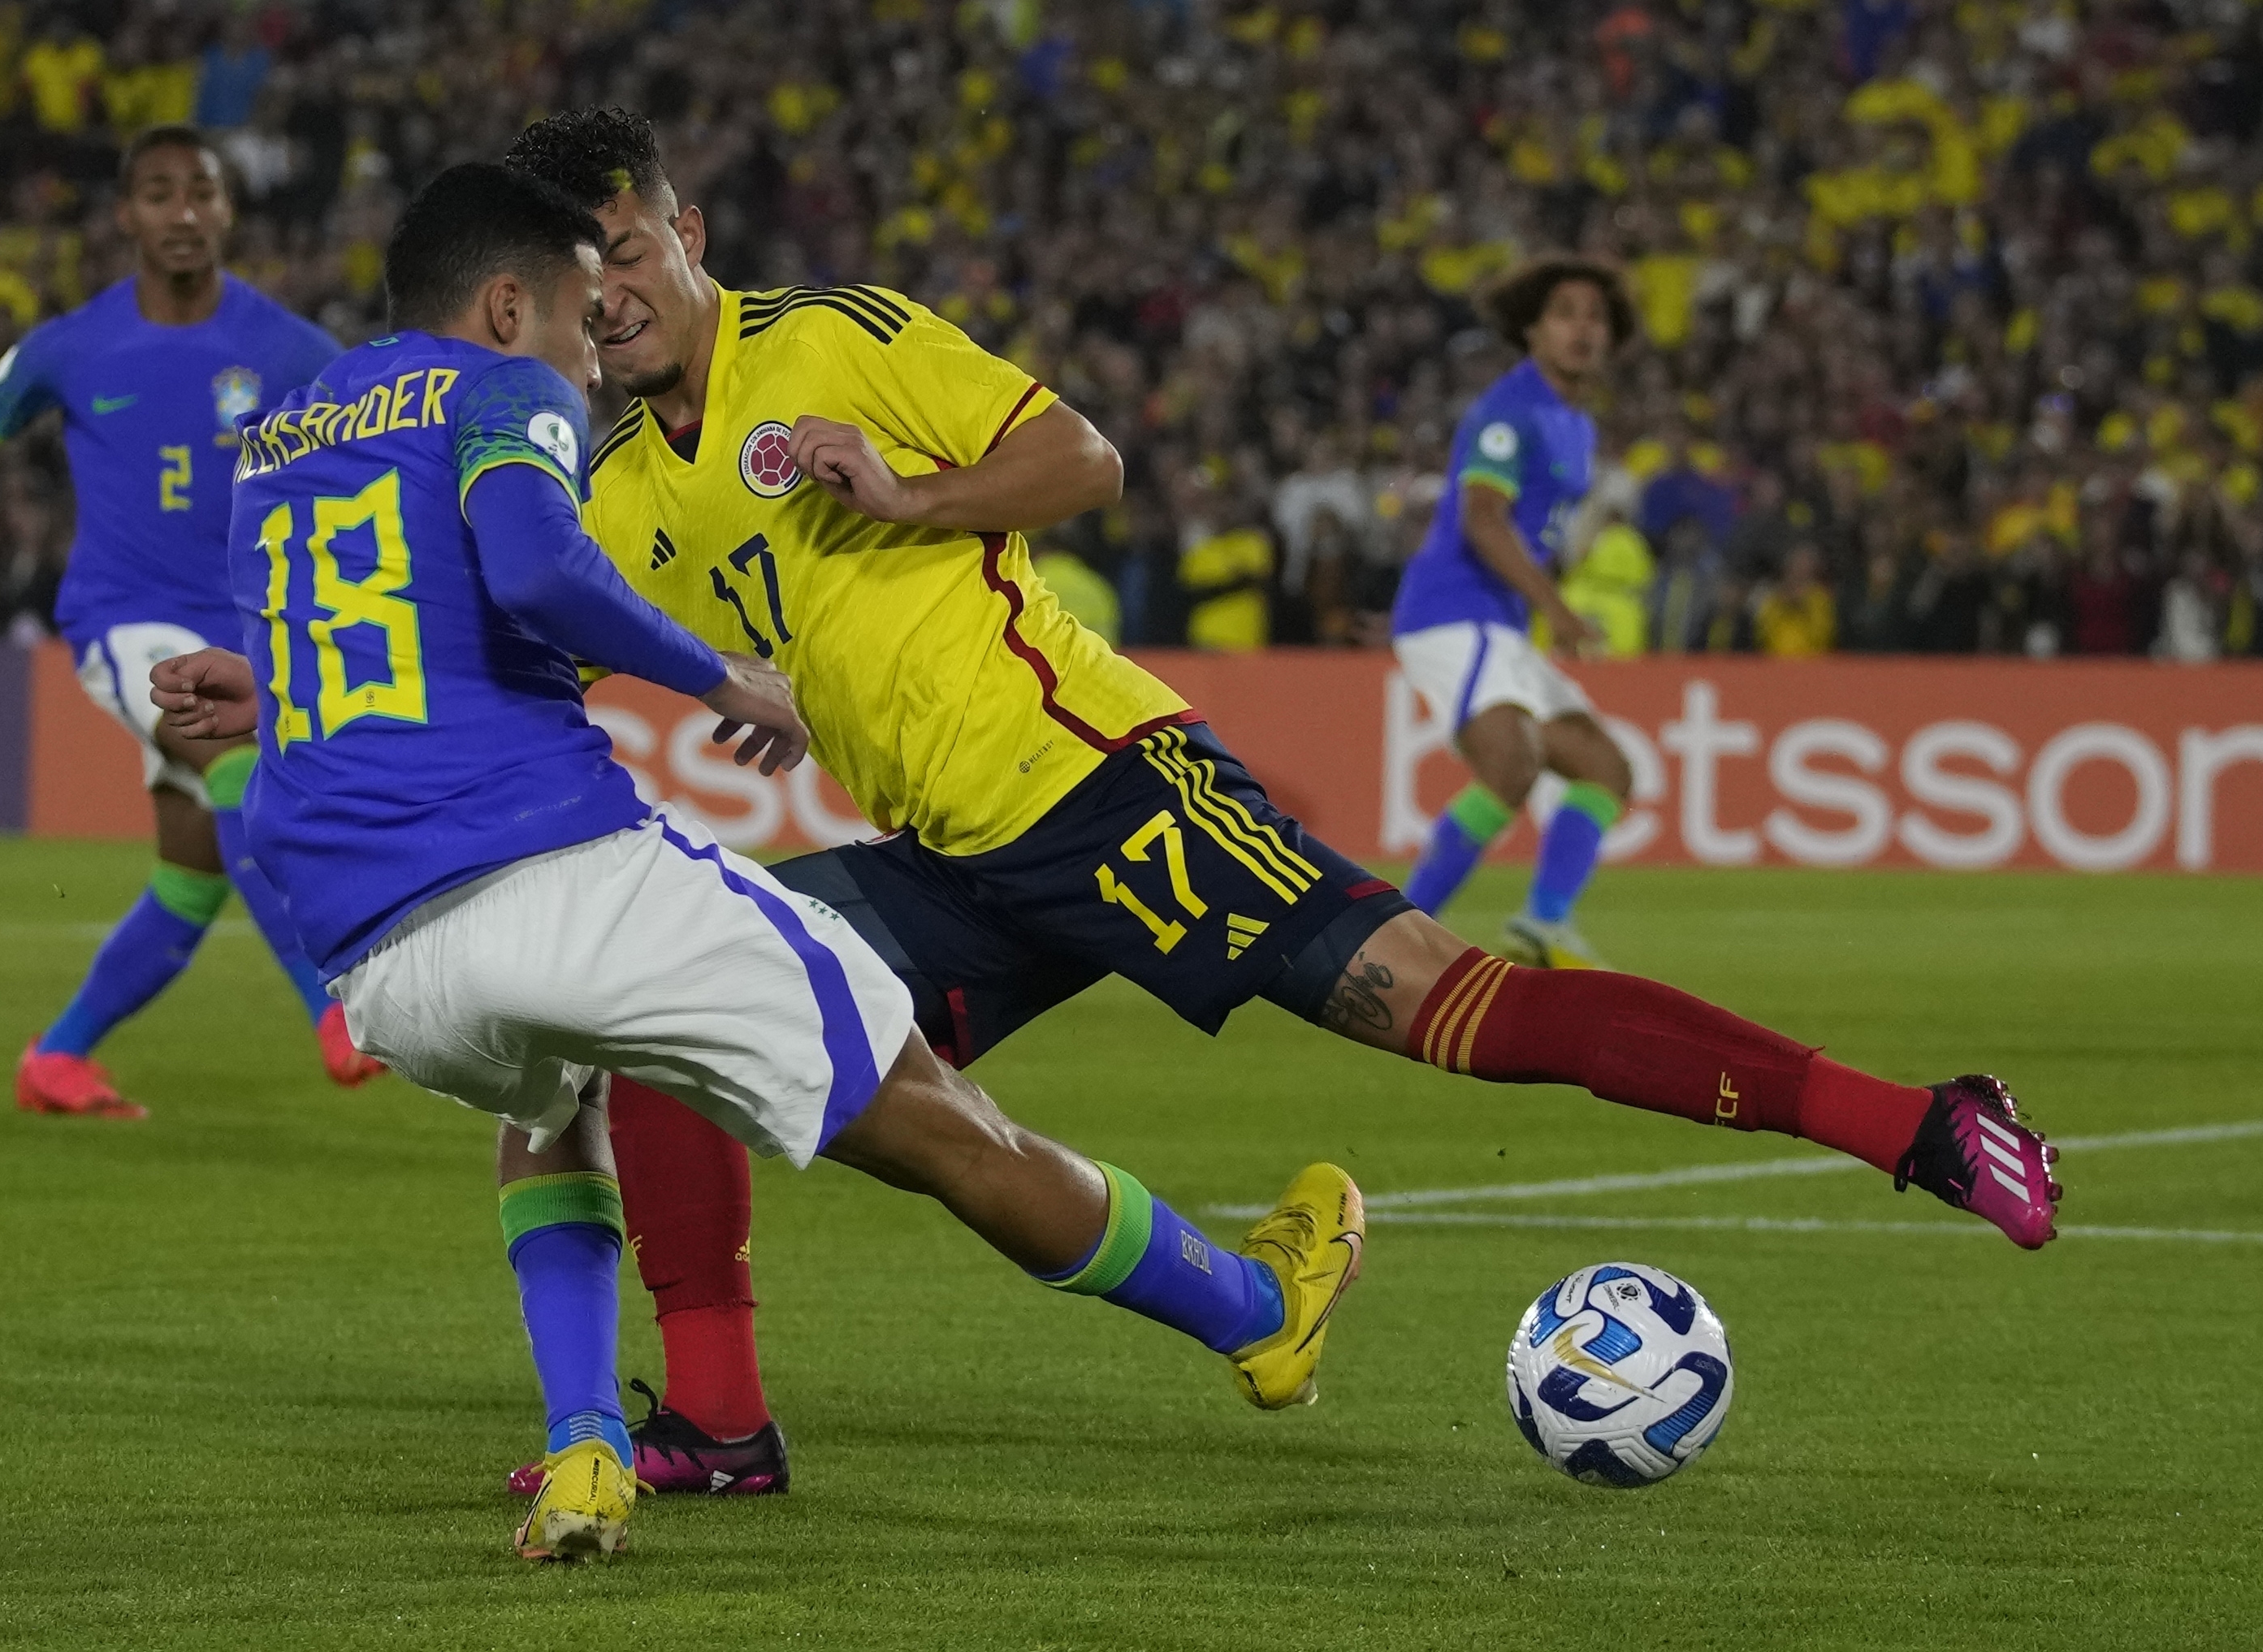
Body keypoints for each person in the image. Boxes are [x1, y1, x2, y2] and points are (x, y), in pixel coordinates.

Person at [500, 107, 2060, 1492]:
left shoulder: (833, 336)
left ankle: (1918, 1123)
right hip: (947, 860)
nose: (613, 294)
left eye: (630, 248)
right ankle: (721, 1422)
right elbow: (603, 640)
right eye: (585, 275)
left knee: (1460, 1008)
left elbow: (1080, 460)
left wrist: (917, 493)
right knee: (678, 1018)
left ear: (687, 233)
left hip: (1109, 786)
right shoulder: (626, 486)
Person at [154, 161, 1368, 1562]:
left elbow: (382, 611)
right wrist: (733, 674)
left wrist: (266, 686)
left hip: (379, 957)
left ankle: (588, 1445)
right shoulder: (501, 388)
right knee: (926, 1106)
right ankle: (1254, 1312)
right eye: (570, 308)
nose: (589, 339)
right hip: (557, 875)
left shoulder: (289, 428)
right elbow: (540, 574)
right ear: (502, 302)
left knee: (554, 1107)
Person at [0, 126, 368, 1118]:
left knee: (192, 874)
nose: (181, 212)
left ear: (228, 210)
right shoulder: (71, 345)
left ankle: (56, 1059)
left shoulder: (289, 348)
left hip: (244, 634)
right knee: (232, 766)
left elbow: (384, 451)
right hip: (122, 622)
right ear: (125, 215)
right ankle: (337, 1008)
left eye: (201, 191)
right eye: (158, 193)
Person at [1387, 256, 1638, 969]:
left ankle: (1542, 923)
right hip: (1451, 611)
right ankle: (1398, 941)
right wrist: (1556, 608)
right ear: (1531, 330)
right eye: (1564, 313)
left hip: (1496, 622)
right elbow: (1483, 519)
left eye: (1595, 315)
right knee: (1511, 763)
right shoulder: (1509, 411)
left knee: (1605, 769)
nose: (1582, 328)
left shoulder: (1576, 425)